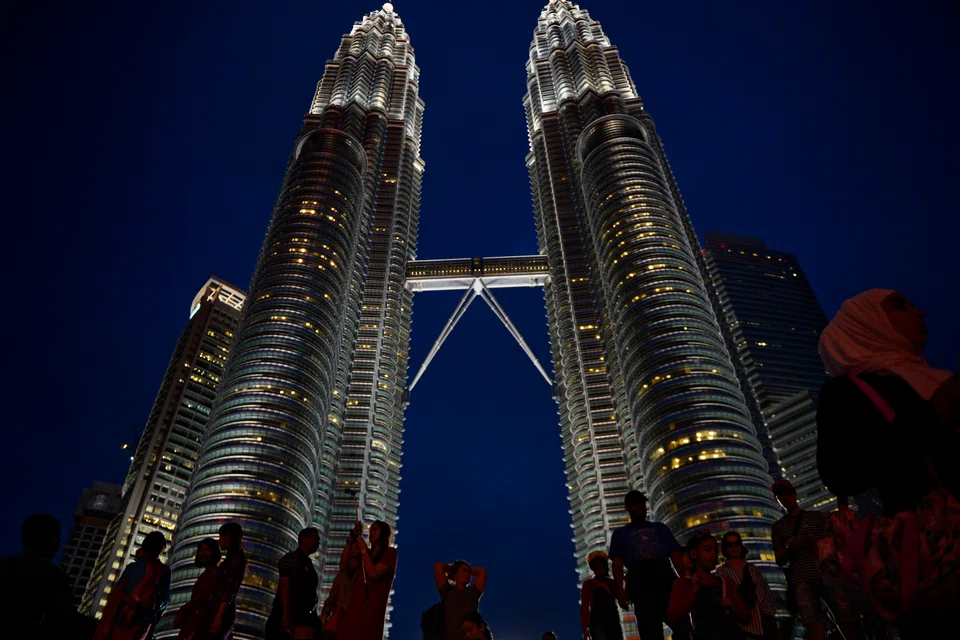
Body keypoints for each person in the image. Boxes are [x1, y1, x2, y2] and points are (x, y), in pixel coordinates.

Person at [817, 289, 960, 515]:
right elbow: (841, 477)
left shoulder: (936, 376)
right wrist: (934, 415)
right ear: (863, 323)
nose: (919, 312)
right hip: (932, 522)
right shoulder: (847, 390)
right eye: (899, 305)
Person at [609, 490, 687, 640]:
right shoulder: (620, 534)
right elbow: (617, 564)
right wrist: (620, 591)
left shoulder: (661, 528)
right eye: (636, 504)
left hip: (665, 580)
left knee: (682, 627)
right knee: (650, 632)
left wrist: (684, 579)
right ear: (627, 508)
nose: (641, 507)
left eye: (642, 504)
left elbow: (675, 555)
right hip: (640, 585)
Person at [770, 480, 834, 640]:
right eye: (780, 497)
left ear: (794, 494)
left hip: (826, 573)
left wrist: (814, 541)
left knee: (841, 612)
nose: (785, 498)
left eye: (787, 494)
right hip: (800, 578)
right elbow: (779, 559)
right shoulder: (778, 527)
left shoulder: (816, 517)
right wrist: (791, 548)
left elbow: (832, 543)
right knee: (811, 620)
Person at [0, 513, 77, 639]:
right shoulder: (53, 576)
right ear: (53, 541)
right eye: (58, 541)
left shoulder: (4, 565)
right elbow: (62, 620)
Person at [667, 531, 750, 640]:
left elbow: (747, 617)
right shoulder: (684, 583)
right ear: (694, 554)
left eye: (715, 551)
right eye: (708, 550)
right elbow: (672, 616)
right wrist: (693, 593)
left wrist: (732, 607)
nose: (714, 554)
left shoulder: (723, 582)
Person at [94, 531, 171, 640]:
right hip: (136, 619)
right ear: (162, 549)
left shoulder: (136, 568)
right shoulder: (161, 570)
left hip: (128, 618)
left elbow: (117, 594)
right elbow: (164, 599)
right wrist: (153, 604)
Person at [337, 520, 398, 640]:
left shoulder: (389, 553)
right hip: (353, 610)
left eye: (375, 530)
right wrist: (351, 539)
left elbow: (373, 573)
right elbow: (344, 566)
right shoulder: (365, 556)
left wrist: (363, 549)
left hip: (371, 614)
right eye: (370, 531)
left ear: (383, 533)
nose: (371, 533)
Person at [714, 532, 776, 640]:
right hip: (739, 620)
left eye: (737, 543)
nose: (734, 547)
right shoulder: (721, 571)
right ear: (725, 548)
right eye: (730, 544)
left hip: (762, 618)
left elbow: (766, 591)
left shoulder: (753, 569)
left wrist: (769, 611)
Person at [266, 527, 322, 640]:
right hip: (287, 619)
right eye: (315, 538)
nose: (318, 542)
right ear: (304, 539)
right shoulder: (292, 559)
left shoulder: (307, 563)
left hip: (300, 620)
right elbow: (285, 584)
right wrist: (286, 614)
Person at [174, 538, 222, 640]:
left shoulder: (215, 573)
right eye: (200, 550)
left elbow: (204, 601)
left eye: (206, 550)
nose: (202, 553)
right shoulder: (206, 574)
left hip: (200, 624)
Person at [209, 522, 247, 639]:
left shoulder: (236, 559)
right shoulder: (233, 558)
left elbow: (229, 589)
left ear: (228, 536)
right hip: (221, 610)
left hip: (222, 611)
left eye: (220, 536)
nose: (219, 541)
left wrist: (218, 617)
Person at [432, 559, 488, 640]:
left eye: (469, 572)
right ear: (455, 574)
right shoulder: (446, 591)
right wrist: (455, 568)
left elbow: (483, 572)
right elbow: (438, 566)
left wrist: (465, 569)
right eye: (464, 571)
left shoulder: (473, 592)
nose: (468, 574)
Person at [319, 541, 361, 639]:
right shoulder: (342, 575)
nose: (354, 552)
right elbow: (331, 598)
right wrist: (324, 616)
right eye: (352, 549)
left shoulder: (363, 577)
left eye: (357, 549)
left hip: (354, 623)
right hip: (338, 621)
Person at [579, 551, 622, 640]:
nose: (599, 569)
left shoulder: (611, 583)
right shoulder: (589, 584)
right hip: (600, 621)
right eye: (596, 566)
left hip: (610, 620)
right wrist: (585, 629)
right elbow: (584, 608)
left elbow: (585, 608)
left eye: (600, 566)